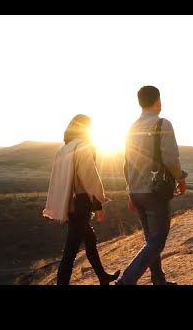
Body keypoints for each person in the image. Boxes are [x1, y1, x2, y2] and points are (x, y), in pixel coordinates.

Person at [118, 85, 187, 285]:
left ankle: (158, 279)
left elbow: (126, 164)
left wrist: (130, 192)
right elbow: (171, 158)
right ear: (157, 101)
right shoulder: (162, 124)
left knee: (150, 240)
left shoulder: (131, 128)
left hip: (137, 190)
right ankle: (126, 281)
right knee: (157, 242)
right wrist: (180, 178)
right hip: (155, 191)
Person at [43, 114, 120, 285]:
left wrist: (59, 205)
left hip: (68, 203)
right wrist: (98, 204)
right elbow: (89, 178)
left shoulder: (63, 149)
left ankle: (103, 277)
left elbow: (57, 181)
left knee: (90, 240)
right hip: (82, 202)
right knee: (70, 251)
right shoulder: (83, 147)